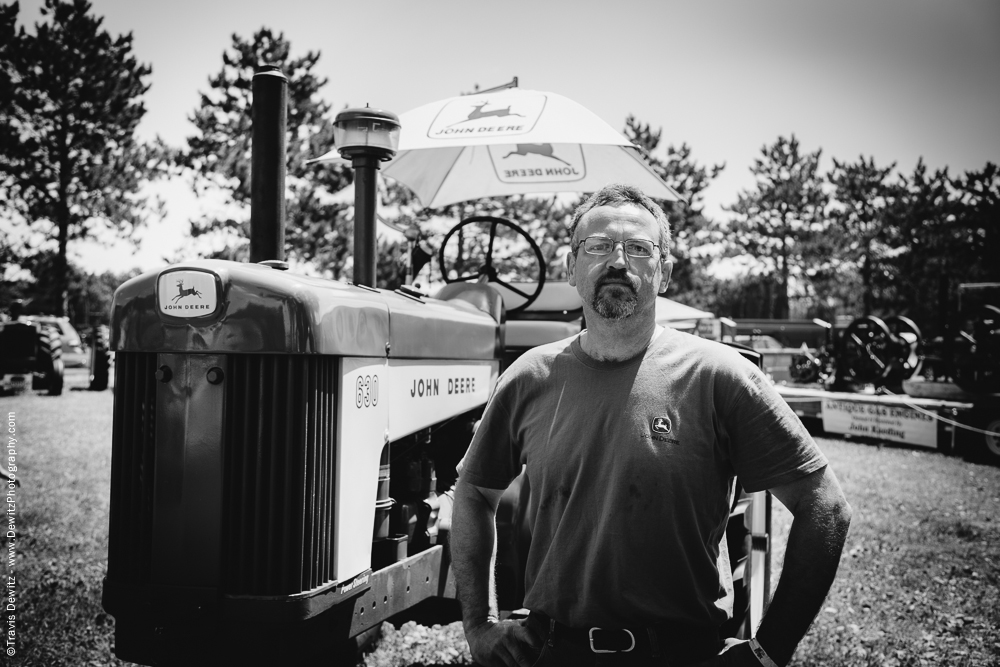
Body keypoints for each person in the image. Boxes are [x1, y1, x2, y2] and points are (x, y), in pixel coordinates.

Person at [450, 183, 853, 667]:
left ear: (663, 271)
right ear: (571, 267)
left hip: (681, 653)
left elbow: (825, 508)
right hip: (554, 651)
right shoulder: (529, 377)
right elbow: (473, 494)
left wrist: (770, 653)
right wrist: (479, 625)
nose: (617, 261)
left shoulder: (720, 376)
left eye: (639, 248)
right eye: (598, 247)